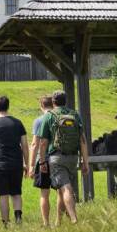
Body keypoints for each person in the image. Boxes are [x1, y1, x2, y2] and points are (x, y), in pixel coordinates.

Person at [38, 90, 89, 224]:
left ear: (53, 102)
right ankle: (59, 222)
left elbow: (43, 143)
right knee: (63, 189)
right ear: (66, 101)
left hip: (57, 158)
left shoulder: (49, 116)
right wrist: (85, 162)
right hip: (73, 158)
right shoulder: (75, 115)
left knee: (65, 188)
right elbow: (82, 140)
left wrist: (42, 162)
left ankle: (73, 218)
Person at [0, 95, 29, 227]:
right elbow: (25, 146)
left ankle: (5, 222)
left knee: (3, 195)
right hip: (16, 163)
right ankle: (18, 218)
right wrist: (27, 164)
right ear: (8, 106)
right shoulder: (18, 123)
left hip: (0, 164)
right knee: (16, 193)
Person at [28, 95, 55, 226]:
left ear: (41, 106)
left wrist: (31, 165)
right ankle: (59, 221)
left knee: (44, 193)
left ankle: (46, 223)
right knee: (61, 190)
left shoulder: (39, 121)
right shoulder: (57, 117)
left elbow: (34, 144)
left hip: (43, 159)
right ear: (53, 105)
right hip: (57, 157)